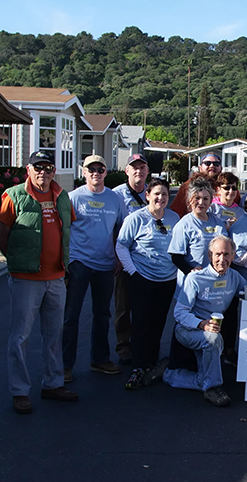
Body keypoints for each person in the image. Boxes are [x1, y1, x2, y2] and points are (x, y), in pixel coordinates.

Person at [0, 151, 78, 415]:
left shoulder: (63, 196)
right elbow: (1, 235)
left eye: (48, 167)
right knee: (20, 337)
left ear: (53, 170)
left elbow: (67, 230)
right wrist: (20, 260)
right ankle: (20, 391)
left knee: (54, 335)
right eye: (37, 167)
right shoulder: (14, 195)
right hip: (26, 279)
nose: (43, 172)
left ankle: (52, 384)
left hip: (55, 277)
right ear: (28, 169)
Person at [167, 236, 247, 406]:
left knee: (206, 362)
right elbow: (179, 313)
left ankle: (173, 376)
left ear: (233, 256)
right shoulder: (195, 279)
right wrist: (201, 324)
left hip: (210, 330)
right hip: (187, 330)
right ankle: (213, 388)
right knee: (213, 340)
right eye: (218, 254)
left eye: (227, 254)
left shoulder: (233, 277)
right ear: (209, 256)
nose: (222, 259)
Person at [61, 155, 128, 383]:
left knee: (103, 314)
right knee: (71, 315)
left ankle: (99, 359)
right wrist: (65, 261)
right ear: (84, 171)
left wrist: (120, 257)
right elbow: (63, 231)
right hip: (79, 262)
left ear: (106, 172)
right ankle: (64, 365)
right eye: (91, 169)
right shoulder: (73, 198)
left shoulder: (115, 199)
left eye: (100, 169)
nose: (96, 173)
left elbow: (122, 229)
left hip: (106, 264)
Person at [116, 178, 181, 390]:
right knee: (141, 323)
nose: (161, 198)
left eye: (164, 194)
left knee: (158, 322)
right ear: (148, 195)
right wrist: (132, 271)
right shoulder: (136, 218)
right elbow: (122, 245)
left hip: (167, 279)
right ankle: (137, 366)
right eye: (156, 194)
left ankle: (151, 362)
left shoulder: (174, 217)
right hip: (142, 277)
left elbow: (179, 246)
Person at [111, 153, 150, 365]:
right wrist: (117, 257)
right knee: (123, 305)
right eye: (134, 167)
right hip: (125, 258)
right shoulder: (116, 195)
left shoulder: (151, 194)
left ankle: (142, 345)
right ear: (126, 170)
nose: (138, 171)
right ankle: (123, 345)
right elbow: (111, 228)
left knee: (144, 306)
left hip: (147, 260)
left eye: (142, 167)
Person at [169, 178, 226, 278]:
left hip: (214, 278)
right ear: (190, 199)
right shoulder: (184, 224)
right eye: (197, 198)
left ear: (210, 201)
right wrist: (190, 270)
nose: (201, 202)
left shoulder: (218, 222)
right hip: (193, 279)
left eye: (205, 199)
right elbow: (176, 256)